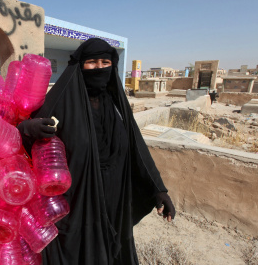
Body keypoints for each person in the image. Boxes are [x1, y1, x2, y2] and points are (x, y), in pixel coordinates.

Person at [17, 38, 176, 265]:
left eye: (105, 61)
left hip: (114, 198)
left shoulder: (115, 105)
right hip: (77, 203)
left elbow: (136, 147)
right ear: (79, 65)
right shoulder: (62, 101)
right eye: (91, 62)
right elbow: (25, 143)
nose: (99, 68)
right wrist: (28, 128)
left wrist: (159, 190)